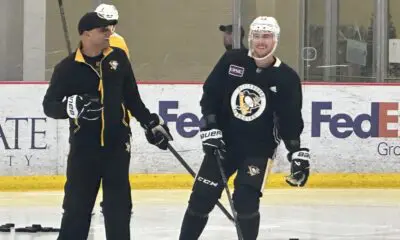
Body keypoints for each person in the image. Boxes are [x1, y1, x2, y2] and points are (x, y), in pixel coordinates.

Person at [42, 12, 172, 240]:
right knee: (76, 209)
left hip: (117, 146)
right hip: (84, 149)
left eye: (110, 29)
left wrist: (150, 122)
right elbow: (49, 106)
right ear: (86, 34)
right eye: (103, 30)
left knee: (119, 210)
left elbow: (132, 98)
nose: (109, 33)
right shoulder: (67, 68)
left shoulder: (118, 58)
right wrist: (70, 106)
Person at [179, 16, 310, 240]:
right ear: (250, 38)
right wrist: (210, 127)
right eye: (257, 36)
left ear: (275, 40)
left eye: (267, 36)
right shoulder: (231, 61)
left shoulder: (287, 78)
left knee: (246, 202)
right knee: (202, 197)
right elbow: (210, 95)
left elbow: (290, 119)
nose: (261, 42)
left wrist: (296, 151)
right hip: (223, 144)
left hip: (258, 151)